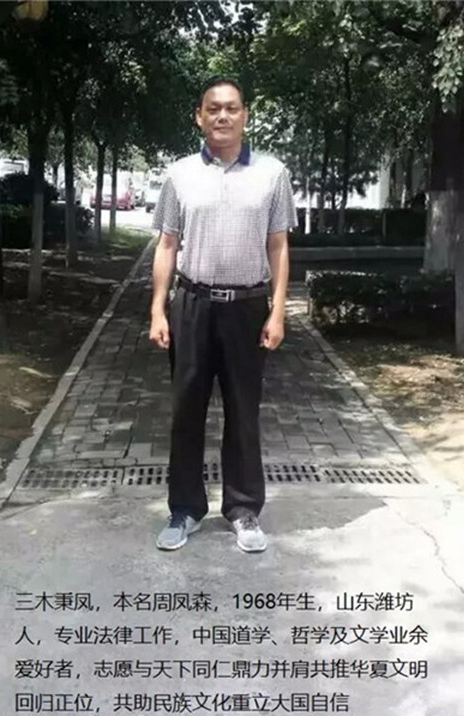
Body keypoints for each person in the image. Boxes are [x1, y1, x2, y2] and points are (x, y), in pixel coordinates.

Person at [149, 76, 297, 553]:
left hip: (248, 309)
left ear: (245, 115)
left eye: (232, 108)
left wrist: (278, 311)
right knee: (185, 413)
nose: (223, 116)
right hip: (191, 305)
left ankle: (243, 509)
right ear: (199, 116)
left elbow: (279, 245)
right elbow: (166, 244)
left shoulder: (272, 174)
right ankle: (184, 509)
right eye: (213, 108)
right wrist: (158, 309)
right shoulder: (179, 174)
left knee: (243, 412)